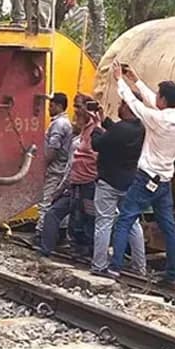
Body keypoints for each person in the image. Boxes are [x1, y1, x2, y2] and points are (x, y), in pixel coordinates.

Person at [106, 62, 175, 286]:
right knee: (168, 227)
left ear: (164, 100)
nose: (156, 97)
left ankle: (115, 267)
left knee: (125, 219)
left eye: (159, 95)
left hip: (146, 178)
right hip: (164, 181)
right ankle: (172, 275)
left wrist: (119, 80)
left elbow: (136, 104)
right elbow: (151, 101)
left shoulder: (157, 120)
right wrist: (136, 79)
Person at [90, 95, 148, 277]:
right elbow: (117, 133)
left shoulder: (121, 129)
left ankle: (99, 265)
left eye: (121, 104)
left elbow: (97, 144)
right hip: (130, 181)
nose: (119, 107)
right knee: (133, 223)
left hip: (109, 181)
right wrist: (105, 120)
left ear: (128, 106)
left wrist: (97, 127)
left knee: (104, 222)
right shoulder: (141, 128)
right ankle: (140, 267)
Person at [38, 93, 100, 257]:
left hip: (86, 185)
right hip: (75, 185)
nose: (76, 110)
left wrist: (59, 189)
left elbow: (74, 165)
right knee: (63, 215)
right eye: (75, 106)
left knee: (85, 218)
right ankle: (48, 249)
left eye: (79, 106)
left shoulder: (93, 134)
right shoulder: (81, 133)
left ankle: (86, 251)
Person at [35, 92, 74, 240]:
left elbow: (53, 149)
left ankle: (41, 232)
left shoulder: (58, 124)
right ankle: (60, 233)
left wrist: (43, 165)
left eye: (51, 106)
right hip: (63, 169)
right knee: (59, 204)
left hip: (55, 169)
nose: (49, 109)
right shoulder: (66, 122)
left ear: (58, 106)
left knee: (46, 201)